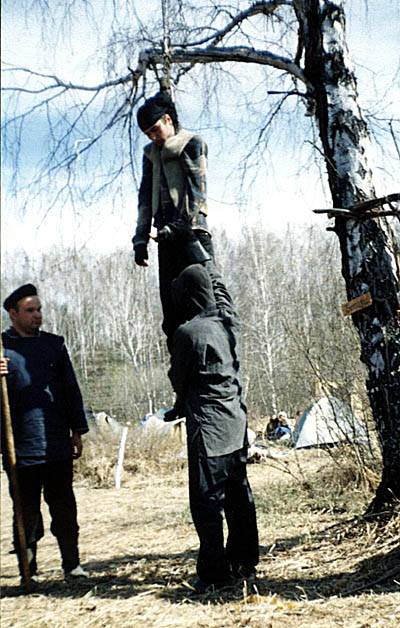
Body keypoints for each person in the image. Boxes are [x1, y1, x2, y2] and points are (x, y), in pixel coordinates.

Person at [166, 263, 259, 591]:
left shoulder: (187, 333)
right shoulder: (228, 323)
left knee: (207, 504)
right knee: (238, 498)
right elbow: (221, 294)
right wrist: (208, 261)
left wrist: (181, 400)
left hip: (209, 431)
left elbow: (178, 378)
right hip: (235, 424)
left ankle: (215, 573)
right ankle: (245, 561)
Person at [1, 284, 89, 585]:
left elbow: (70, 390)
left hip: (55, 443)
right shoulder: (2, 349)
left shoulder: (54, 345)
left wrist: (77, 430)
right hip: (20, 448)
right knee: (25, 511)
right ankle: (29, 570)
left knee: (64, 508)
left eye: (39, 309)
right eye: (30, 310)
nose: (37, 315)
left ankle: (72, 566)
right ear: (13, 313)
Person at [132, 90, 214, 342]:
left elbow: (197, 194)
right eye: (147, 134)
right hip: (165, 240)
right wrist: (140, 239)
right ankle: (181, 363)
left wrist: (177, 228)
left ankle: (215, 362)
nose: (153, 137)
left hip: (193, 237)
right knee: (172, 317)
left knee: (206, 308)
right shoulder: (151, 154)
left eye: (155, 130)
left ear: (168, 119)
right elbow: (145, 198)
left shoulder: (192, 143)